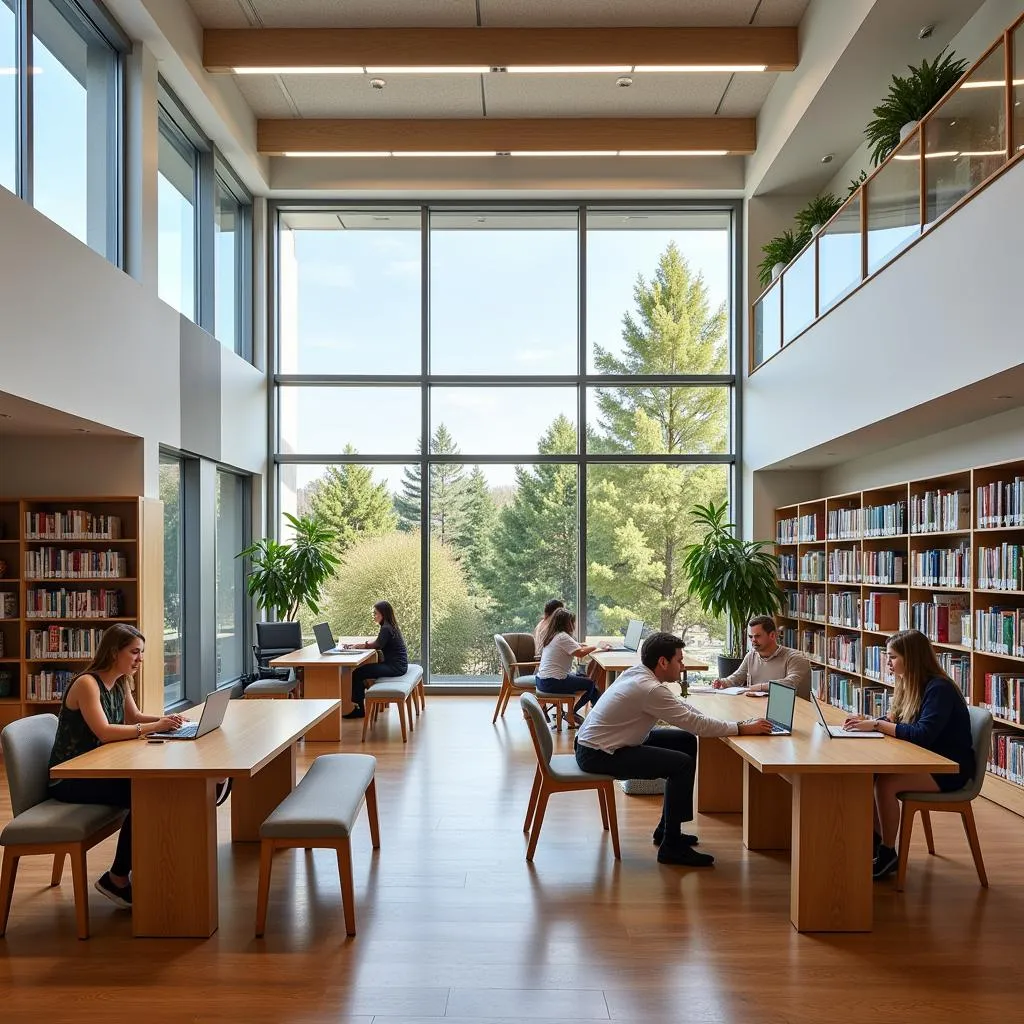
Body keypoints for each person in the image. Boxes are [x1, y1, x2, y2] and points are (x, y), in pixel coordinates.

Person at [576, 631, 772, 867]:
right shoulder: (650, 688)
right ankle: (671, 847)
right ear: (663, 662)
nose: (682, 665)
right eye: (679, 660)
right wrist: (741, 728)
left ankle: (667, 830)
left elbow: (684, 711)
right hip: (599, 754)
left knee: (685, 741)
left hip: (603, 743)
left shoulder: (639, 673)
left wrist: (727, 724)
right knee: (681, 764)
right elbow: (696, 724)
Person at [48, 624, 186, 909]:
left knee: (154, 791)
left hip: (98, 769)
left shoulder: (120, 681)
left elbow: (133, 716)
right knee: (147, 795)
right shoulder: (87, 684)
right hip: (71, 778)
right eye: (134, 652)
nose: (140, 659)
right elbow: (104, 731)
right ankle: (117, 878)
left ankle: (145, 871)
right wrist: (152, 727)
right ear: (114, 652)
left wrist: (168, 722)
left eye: (141, 653)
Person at [843, 628, 975, 880]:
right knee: (868, 774)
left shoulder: (939, 689)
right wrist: (871, 721)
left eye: (892, 657)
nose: (888, 662)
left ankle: (887, 853)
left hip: (949, 767)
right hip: (922, 759)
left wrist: (878, 726)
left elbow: (921, 734)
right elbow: (898, 720)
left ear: (911, 658)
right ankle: (873, 842)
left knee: (886, 783)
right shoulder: (909, 684)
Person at [712, 615, 811, 699]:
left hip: (791, 713)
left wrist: (759, 687)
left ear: (772, 635)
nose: (753, 640)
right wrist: (722, 682)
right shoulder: (751, 655)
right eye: (751, 637)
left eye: (757, 636)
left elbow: (791, 683)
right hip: (759, 708)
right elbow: (737, 677)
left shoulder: (795, 658)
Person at [342, 600, 409, 719]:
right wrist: (360, 645)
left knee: (357, 673)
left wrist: (359, 646)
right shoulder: (390, 626)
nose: (374, 616)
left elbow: (377, 645)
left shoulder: (386, 628)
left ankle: (359, 710)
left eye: (376, 613)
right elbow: (378, 643)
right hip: (399, 665)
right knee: (361, 673)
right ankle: (360, 706)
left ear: (383, 614)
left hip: (395, 667)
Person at [535, 608, 602, 727]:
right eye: (572, 622)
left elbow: (574, 646)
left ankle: (598, 715)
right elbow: (580, 652)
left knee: (587, 682)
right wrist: (597, 647)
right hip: (553, 682)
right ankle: (573, 713)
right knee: (590, 684)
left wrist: (586, 646)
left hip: (542, 680)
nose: (574, 624)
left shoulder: (553, 636)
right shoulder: (562, 637)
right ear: (567, 623)